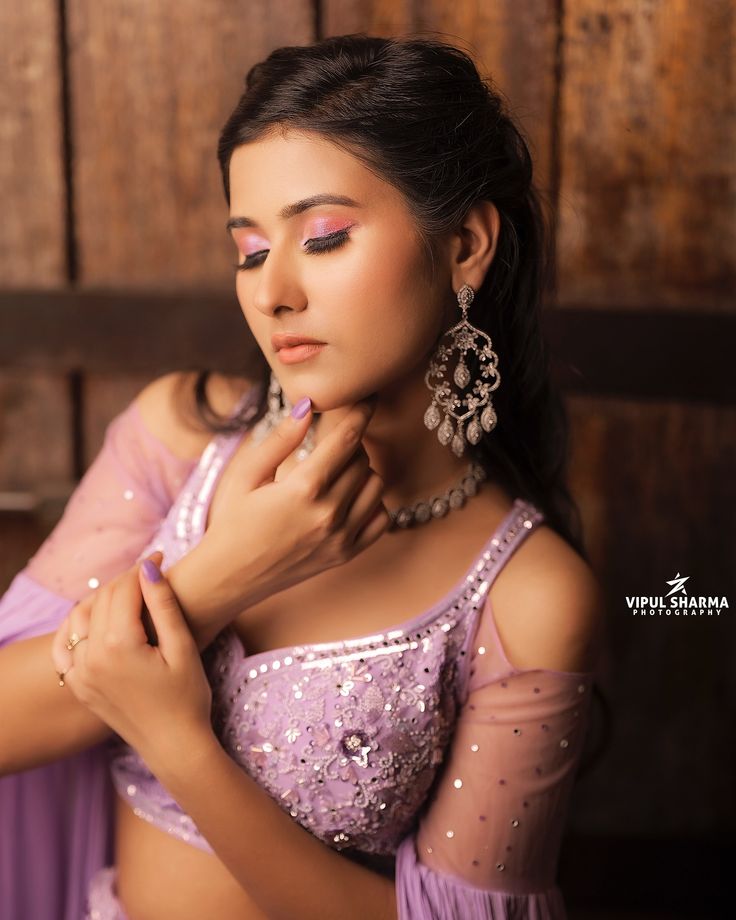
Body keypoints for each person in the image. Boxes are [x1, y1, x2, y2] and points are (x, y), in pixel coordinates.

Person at [0, 33, 605, 920]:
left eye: (323, 237)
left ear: (467, 243)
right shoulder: (177, 442)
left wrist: (178, 739)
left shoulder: (529, 595)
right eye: (249, 250)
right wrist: (221, 574)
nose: (271, 291)